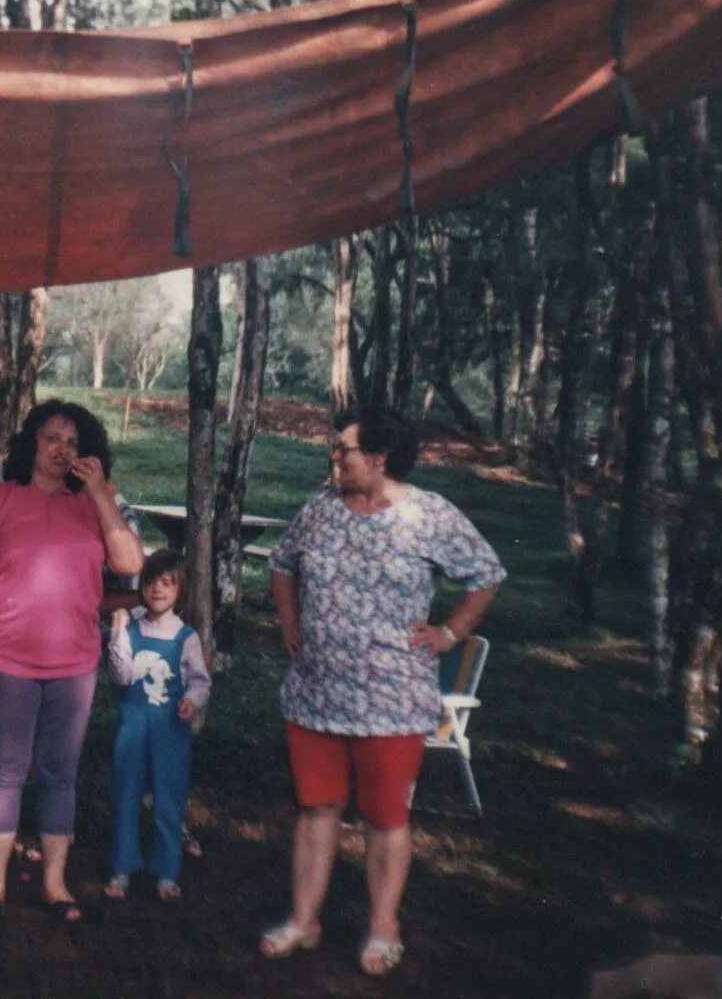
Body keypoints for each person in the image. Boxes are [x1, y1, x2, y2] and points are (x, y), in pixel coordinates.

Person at [260, 404, 504, 977]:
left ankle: (383, 928)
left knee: (386, 817)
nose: (334, 456)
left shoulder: (430, 515)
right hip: (316, 694)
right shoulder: (321, 509)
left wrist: (451, 631)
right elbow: (281, 562)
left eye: (343, 448)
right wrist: (289, 621)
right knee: (317, 808)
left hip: (391, 700)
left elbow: (485, 573)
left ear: (379, 458)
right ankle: (303, 920)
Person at [0, 400, 144, 924]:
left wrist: (100, 493)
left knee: (60, 774)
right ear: (31, 443)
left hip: (74, 663)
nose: (63, 449)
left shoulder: (96, 504)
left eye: (74, 443)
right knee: (6, 772)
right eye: (52, 438)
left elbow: (129, 564)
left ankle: (56, 883)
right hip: (7, 658)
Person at [104, 549, 210, 903]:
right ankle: (122, 867)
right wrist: (118, 634)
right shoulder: (131, 630)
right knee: (126, 794)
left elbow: (200, 681)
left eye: (167, 583)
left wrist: (191, 701)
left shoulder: (186, 637)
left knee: (169, 799)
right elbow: (120, 676)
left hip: (170, 731)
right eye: (150, 582)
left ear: (181, 590)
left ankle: (166, 871)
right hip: (132, 726)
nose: (157, 590)